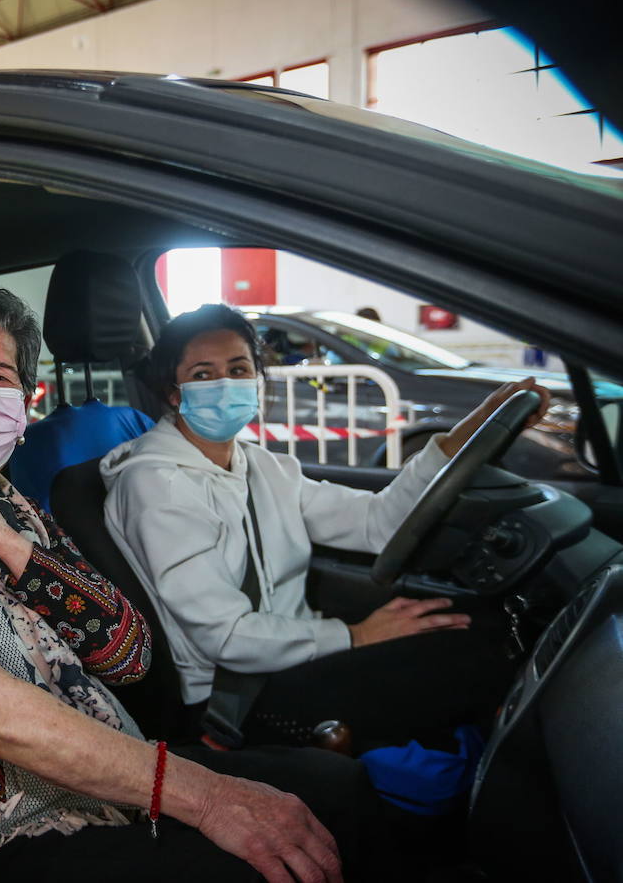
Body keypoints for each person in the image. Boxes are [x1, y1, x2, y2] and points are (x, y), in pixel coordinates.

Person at [0, 286, 387, 883]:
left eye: (2, 377)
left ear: (25, 402)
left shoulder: (21, 512)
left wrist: (14, 548)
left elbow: (130, 655)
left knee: (337, 789)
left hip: (99, 782)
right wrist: (204, 796)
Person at [100, 304, 549, 752]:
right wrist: (356, 635)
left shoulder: (263, 466)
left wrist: (472, 426)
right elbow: (228, 638)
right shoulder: (157, 486)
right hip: (237, 694)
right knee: (479, 658)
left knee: (487, 628)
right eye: (203, 374)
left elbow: (377, 524)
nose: (226, 384)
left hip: (297, 653)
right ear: (174, 392)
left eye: (239, 368)